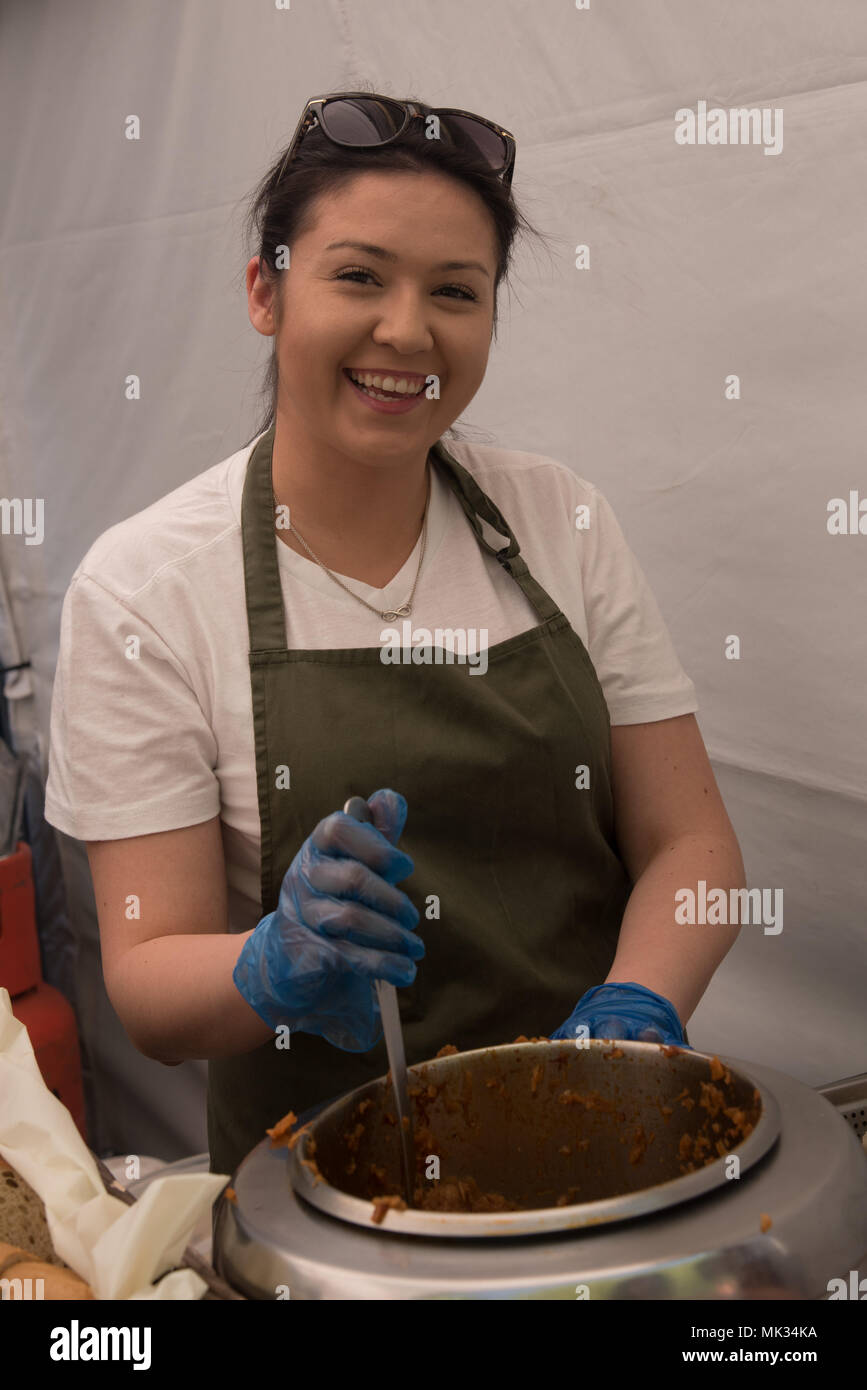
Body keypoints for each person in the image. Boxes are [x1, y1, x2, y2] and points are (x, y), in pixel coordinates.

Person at [44, 90, 746, 1177]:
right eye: (359, 275)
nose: (408, 330)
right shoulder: (145, 589)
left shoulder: (561, 523)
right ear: (265, 292)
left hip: (592, 1149)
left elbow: (692, 848)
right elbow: (146, 979)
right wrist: (267, 966)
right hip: (319, 1204)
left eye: (456, 293)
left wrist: (635, 1009)